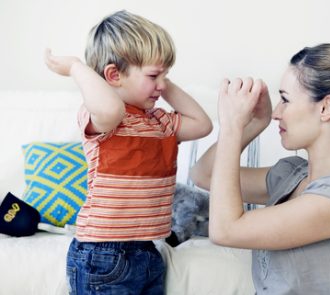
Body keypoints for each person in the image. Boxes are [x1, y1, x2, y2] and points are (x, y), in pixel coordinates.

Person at [190, 43, 330, 294]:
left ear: (326, 107)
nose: (277, 112)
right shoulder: (292, 175)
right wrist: (254, 124)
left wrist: (232, 126)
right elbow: (203, 174)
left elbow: (225, 230)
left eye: (285, 100)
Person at [45, 10, 212, 295]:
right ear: (113, 75)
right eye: (154, 75)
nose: (161, 85)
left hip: (147, 250)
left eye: (166, 75)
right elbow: (111, 108)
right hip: (102, 255)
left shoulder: (160, 122)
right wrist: (76, 67)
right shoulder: (105, 119)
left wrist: (164, 81)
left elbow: (203, 125)